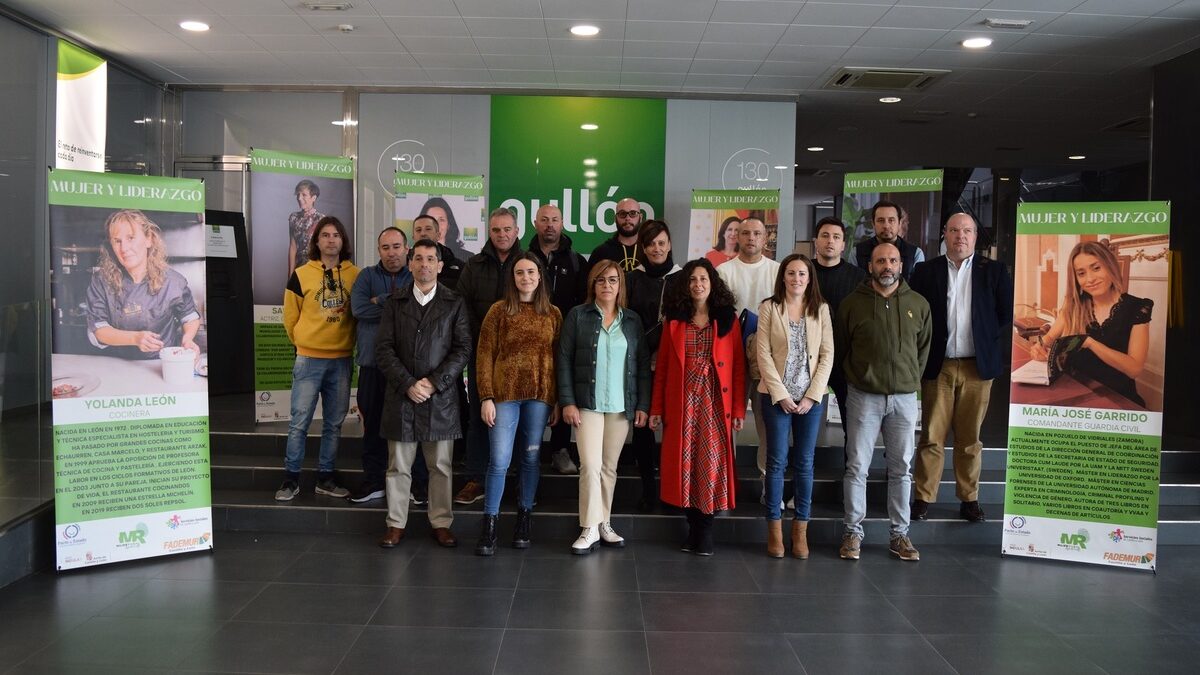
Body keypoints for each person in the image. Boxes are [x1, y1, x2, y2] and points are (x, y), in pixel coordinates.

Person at [910, 214, 1013, 523]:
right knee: (931, 436)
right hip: (938, 366)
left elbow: (1005, 312)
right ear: (945, 234)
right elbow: (916, 314)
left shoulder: (993, 271)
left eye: (966, 231)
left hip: (976, 368)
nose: (960, 236)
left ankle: (969, 499)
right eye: (954, 230)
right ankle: (923, 498)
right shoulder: (926, 271)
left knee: (970, 439)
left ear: (975, 237)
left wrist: (983, 336)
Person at [836, 242, 931, 561]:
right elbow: (842, 347)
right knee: (857, 466)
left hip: (904, 399)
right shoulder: (852, 304)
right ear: (870, 266)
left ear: (902, 265)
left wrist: (908, 380)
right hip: (864, 396)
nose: (887, 266)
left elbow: (923, 349)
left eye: (892, 260)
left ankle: (899, 535)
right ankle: (852, 532)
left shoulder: (918, 304)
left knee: (901, 468)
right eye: (880, 261)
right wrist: (858, 376)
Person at [374, 239, 471, 549]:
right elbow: (384, 348)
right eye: (419, 258)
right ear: (410, 264)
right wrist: (408, 384)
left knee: (441, 467)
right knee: (398, 466)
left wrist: (432, 382)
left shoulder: (454, 302)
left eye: (431, 259)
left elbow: (463, 348)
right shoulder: (395, 302)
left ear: (440, 266)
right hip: (402, 396)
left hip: (439, 398)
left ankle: (441, 522)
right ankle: (395, 524)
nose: (425, 264)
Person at [650, 259, 746, 556]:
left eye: (703, 279)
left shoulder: (727, 319)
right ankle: (693, 528)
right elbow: (663, 367)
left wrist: (740, 410)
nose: (698, 285)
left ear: (712, 283)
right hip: (682, 403)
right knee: (685, 464)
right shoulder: (674, 320)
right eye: (692, 280)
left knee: (710, 463)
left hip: (716, 402)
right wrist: (656, 407)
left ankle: (704, 530)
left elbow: (739, 368)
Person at [558, 260, 651, 554]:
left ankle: (604, 523)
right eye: (601, 281)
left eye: (612, 280)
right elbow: (563, 359)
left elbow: (643, 367)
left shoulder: (633, 321)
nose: (607, 286)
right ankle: (588, 527)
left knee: (609, 468)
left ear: (620, 285)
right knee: (590, 466)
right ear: (592, 285)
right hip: (587, 404)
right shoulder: (577, 316)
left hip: (621, 406)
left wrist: (643, 404)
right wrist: (568, 401)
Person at [474, 253, 561, 555]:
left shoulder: (553, 314)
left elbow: (558, 359)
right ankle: (491, 523)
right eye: (520, 273)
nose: (526, 278)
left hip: (540, 397)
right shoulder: (498, 312)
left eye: (531, 272)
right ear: (512, 278)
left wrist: (558, 401)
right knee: (499, 460)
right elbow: (484, 355)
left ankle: (524, 518)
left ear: (540, 276)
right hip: (504, 397)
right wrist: (486, 396)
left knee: (530, 458)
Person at [276, 216, 360, 502]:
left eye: (337, 235)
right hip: (308, 360)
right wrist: (303, 342)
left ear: (343, 241)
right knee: (299, 422)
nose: (331, 240)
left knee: (333, 424)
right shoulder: (301, 274)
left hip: (341, 361)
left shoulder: (355, 275)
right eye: (325, 235)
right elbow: (290, 318)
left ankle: (325, 478)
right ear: (317, 241)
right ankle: (291, 480)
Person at [756, 254, 833, 559]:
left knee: (804, 463)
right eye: (791, 273)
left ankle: (800, 530)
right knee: (776, 462)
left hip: (811, 400)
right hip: (777, 399)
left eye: (802, 274)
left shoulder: (821, 310)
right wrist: (781, 394)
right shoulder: (769, 307)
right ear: (783, 277)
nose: (797, 279)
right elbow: (763, 354)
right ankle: (774, 529)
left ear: (810, 278)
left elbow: (827, 355)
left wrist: (812, 396)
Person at [454, 208, 523, 506]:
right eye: (496, 230)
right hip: (482, 353)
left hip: (519, 356)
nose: (502, 235)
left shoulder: (528, 263)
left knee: (518, 417)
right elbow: (463, 306)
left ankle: (519, 478)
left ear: (517, 231)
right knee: (478, 417)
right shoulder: (473, 265)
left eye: (507, 229)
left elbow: (538, 304)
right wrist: (482, 341)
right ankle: (476, 479)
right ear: (489, 232)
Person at [1029, 240, 1151, 407]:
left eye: (1096, 268)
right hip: (1074, 392)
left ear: (1110, 266)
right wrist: (1039, 347)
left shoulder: (1138, 307)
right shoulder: (1074, 306)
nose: (1090, 279)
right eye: (1081, 273)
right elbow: (1048, 338)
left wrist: (1090, 343)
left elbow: (1134, 369)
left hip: (1116, 399)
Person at [348, 227, 413, 504]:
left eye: (396, 246)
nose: (392, 253)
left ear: (406, 248)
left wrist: (382, 301)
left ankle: (411, 483)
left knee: (407, 428)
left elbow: (418, 306)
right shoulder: (366, 276)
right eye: (385, 247)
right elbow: (359, 309)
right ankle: (374, 481)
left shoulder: (416, 275)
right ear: (379, 251)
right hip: (372, 366)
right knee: (372, 425)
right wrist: (396, 303)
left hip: (406, 369)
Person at [717, 217, 780, 501]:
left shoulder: (778, 272)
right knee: (727, 422)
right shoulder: (722, 271)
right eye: (745, 233)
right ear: (736, 237)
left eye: (757, 233)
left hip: (768, 361)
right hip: (730, 359)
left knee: (768, 426)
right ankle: (723, 482)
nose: (751, 238)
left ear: (765, 239)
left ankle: (769, 483)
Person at [526, 203, 591, 476]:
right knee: (531, 393)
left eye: (554, 220)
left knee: (564, 390)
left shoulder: (577, 261)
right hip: (529, 340)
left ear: (563, 223)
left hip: (566, 339)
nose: (549, 224)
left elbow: (585, 302)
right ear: (535, 223)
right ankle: (528, 449)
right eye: (544, 220)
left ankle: (561, 450)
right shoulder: (524, 258)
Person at [87, 209, 201, 360]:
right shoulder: (101, 281)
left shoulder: (173, 281)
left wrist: (187, 338)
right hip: (118, 365)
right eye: (117, 241)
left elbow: (189, 316)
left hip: (162, 364)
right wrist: (135, 338)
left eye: (131, 238)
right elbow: (98, 329)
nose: (124, 248)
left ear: (149, 239)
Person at [625, 220, 682, 511]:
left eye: (661, 242)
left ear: (669, 244)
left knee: (673, 430)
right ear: (643, 248)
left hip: (675, 366)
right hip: (641, 364)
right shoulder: (632, 279)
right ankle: (648, 489)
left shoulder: (683, 278)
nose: (656, 248)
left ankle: (673, 491)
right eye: (650, 244)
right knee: (643, 427)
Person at [811, 216, 867, 436]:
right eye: (825, 236)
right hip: (810, 359)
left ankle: (851, 469)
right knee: (804, 421)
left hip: (846, 359)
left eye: (836, 237)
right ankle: (802, 469)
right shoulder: (803, 272)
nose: (830, 241)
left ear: (844, 244)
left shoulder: (858, 277)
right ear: (816, 241)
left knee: (852, 422)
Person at [854, 200, 925, 279]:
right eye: (881, 220)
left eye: (891, 220)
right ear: (873, 224)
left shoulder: (915, 254)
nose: (886, 226)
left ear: (900, 223)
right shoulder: (856, 253)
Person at [590, 197, 643, 271]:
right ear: (615, 218)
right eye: (622, 214)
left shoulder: (649, 250)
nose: (627, 218)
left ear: (640, 217)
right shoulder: (600, 253)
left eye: (633, 213)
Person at [413, 213, 464, 288]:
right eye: (418, 230)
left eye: (428, 229)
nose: (423, 233)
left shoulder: (459, 267)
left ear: (438, 235)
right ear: (413, 237)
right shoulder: (405, 263)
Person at [287, 179, 325, 277]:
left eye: (304, 195)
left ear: (313, 198)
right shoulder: (293, 218)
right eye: (298, 195)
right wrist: (290, 275)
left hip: (317, 270)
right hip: (299, 268)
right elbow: (293, 247)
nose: (299, 198)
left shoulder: (322, 219)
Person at [420, 196, 468, 264]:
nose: (437, 225)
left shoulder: (466, 257)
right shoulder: (412, 256)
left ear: (448, 225)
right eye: (431, 220)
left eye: (441, 220)